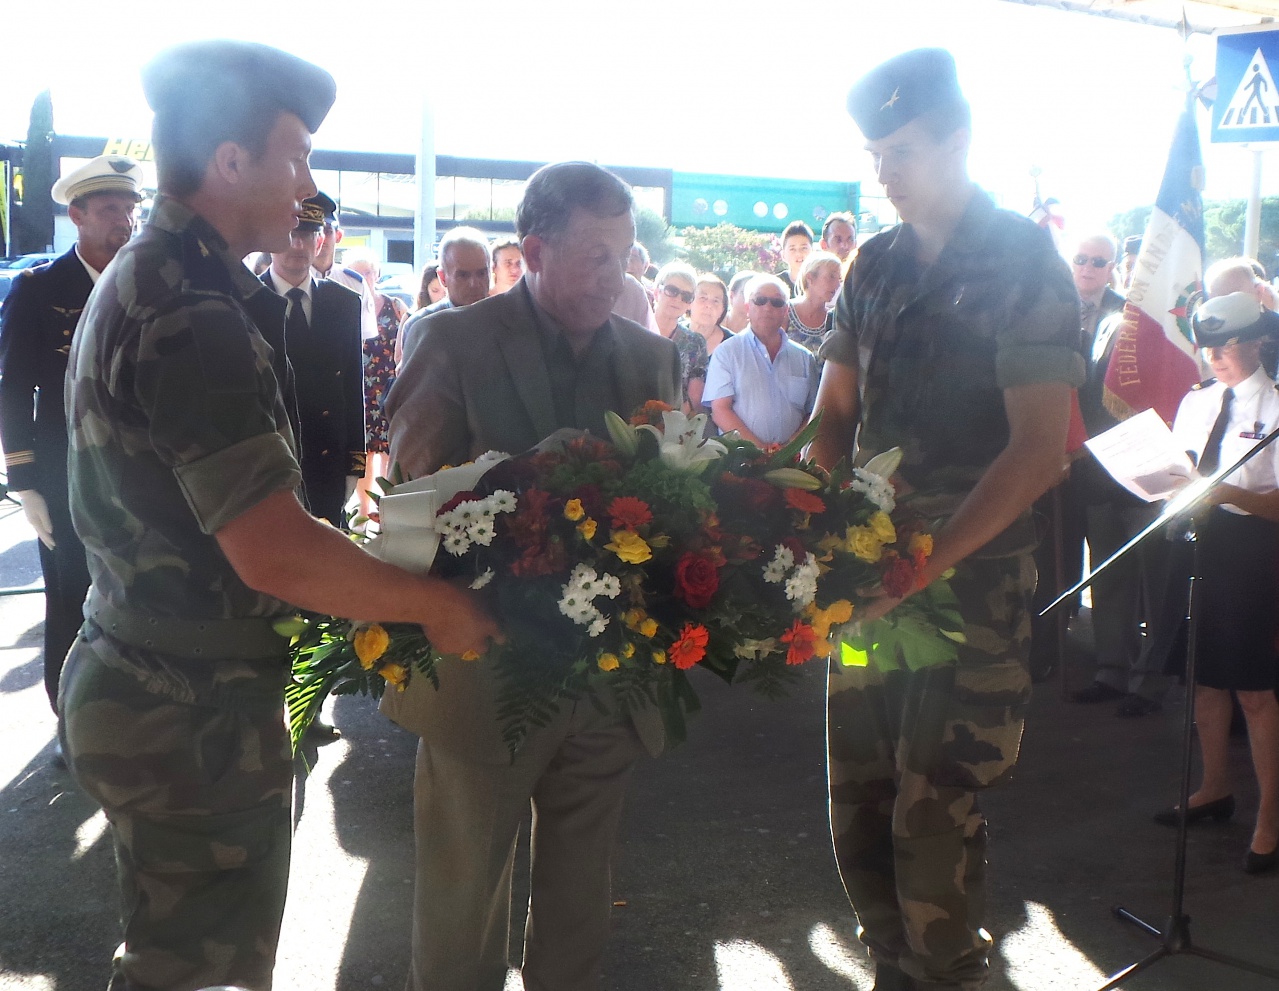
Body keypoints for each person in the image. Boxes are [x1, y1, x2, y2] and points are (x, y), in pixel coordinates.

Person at [58, 40, 498, 991]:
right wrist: (436, 604)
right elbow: (273, 552)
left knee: (172, 958)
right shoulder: (193, 310)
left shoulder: (160, 272)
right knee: (200, 973)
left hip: (157, 685)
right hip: (191, 713)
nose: (307, 183)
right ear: (230, 161)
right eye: (296, 155)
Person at [808, 49, 1082, 990]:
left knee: (932, 810)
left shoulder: (1023, 261)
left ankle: (947, 976)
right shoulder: (872, 264)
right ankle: (891, 970)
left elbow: (1035, 451)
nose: (884, 173)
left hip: (968, 582)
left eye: (903, 151)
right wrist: (812, 525)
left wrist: (915, 566)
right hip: (867, 574)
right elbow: (833, 416)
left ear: (957, 141)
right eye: (874, 154)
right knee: (857, 801)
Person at [383, 160, 680, 991]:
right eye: (594, 255)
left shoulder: (654, 358)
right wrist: (521, 483)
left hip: (607, 681)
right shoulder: (452, 343)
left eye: (623, 255)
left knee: (580, 904)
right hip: (481, 673)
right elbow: (408, 506)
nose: (613, 275)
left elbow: (679, 505)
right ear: (535, 251)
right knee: (461, 910)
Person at [0, 154, 142, 726]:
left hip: (139, 472)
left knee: (137, 598)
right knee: (70, 599)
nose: (124, 221)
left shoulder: (146, 283)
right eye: (109, 209)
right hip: (65, 474)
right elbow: (14, 388)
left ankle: (130, 714)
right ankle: (73, 723)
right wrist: (24, 480)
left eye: (129, 209)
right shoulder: (40, 288)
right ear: (76, 216)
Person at [1149, 292, 1279, 875]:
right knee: (1203, 678)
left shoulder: (1275, 405)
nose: (1216, 357)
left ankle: (1270, 818)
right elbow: (1176, 469)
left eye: (1227, 345)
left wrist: (1227, 494)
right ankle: (1214, 787)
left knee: (1253, 689)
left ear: (1258, 340)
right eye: (1207, 347)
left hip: (1252, 552)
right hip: (1197, 543)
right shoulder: (1197, 400)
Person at [1062, 233, 1164, 714]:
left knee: (1154, 579)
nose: (1087, 267)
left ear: (1112, 267)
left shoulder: (1136, 320)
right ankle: (1111, 670)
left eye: (1098, 261)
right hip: (1091, 467)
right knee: (1107, 572)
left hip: (1141, 465)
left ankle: (1150, 680)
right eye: (1080, 258)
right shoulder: (1056, 312)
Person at [264, 196, 365, 527]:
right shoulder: (248, 299)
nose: (298, 245)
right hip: (271, 465)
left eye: (307, 235)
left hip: (328, 462)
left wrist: (354, 464)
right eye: (291, 234)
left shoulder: (344, 303)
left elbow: (352, 385)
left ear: (320, 242)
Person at [704, 273, 818, 446]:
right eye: (760, 300)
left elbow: (814, 412)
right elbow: (720, 410)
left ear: (786, 310)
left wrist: (790, 449)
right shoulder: (726, 353)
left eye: (777, 302)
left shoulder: (804, 358)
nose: (767, 307)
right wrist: (760, 450)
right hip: (741, 456)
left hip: (792, 458)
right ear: (747, 306)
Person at [337, 250, 406, 520]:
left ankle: (385, 509)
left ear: (376, 274)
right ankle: (364, 512)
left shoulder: (395, 306)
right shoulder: (345, 305)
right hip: (359, 389)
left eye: (368, 272)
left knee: (389, 449)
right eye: (358, 273)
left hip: (388, 388)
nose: (364, 277)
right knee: (363, 452)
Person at [397, 226, 492, 366]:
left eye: (481, 273)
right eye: (463, 275)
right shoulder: (420, 327)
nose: (474, 284)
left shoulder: (507, 321)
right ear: (442, 277)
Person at [310, 190, 378, 342]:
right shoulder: (293, 279)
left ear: (339, 236)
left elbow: (361, 340)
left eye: (327, 231)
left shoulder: (355, 284)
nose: (321, 238)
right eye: (315, 231)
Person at [651, 260, 708, 413]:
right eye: (672, 290)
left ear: (690, 304)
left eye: (686, 296)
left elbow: (694, 398)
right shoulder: (633, 331)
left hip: (676, 420)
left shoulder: (696, 343)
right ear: (656, 292)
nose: (677, 299)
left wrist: (668, 423)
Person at [786, 250, 840, 355]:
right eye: (832, 276)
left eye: (839, 278)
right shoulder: (785, 311)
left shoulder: (835, 318)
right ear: (810, 278)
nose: (837, 285)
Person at [687, 272, 733, 356]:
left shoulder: (734, 344)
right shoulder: (673, 334)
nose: (709, 305)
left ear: (722, 309)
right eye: (703, 298)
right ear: (689, 302)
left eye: (716, 301)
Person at [777, 220, 814, 297]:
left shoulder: (822, 283)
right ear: (783, 255)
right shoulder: (776, 283)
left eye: (804, 248)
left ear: (813, 251)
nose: (799, 253)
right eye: (792, 249)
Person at [724, 270, 754, 334]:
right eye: (746, 293)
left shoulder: (763, 332)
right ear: (731, 296)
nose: (752, 299)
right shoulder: (713, 324)